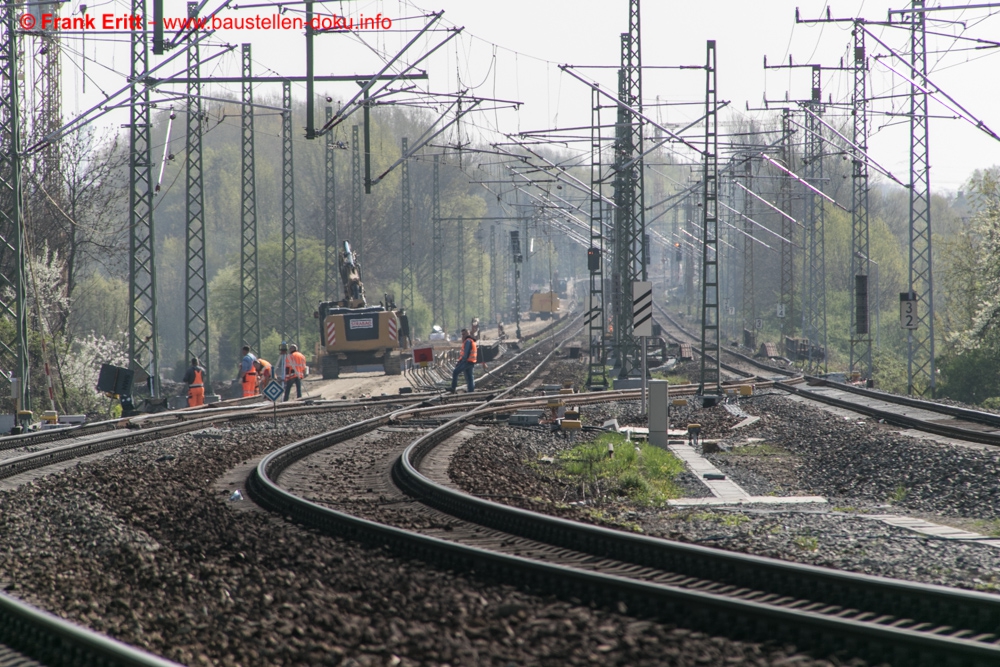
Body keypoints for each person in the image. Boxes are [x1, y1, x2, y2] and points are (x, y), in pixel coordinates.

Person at [449, 328, 478, 394]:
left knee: (455, 372)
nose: (463, 336)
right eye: (462, 334)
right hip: (471, 362)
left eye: (464, 334)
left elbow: (466, 354)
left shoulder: (468, 341)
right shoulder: (472, 340)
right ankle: (471, 391)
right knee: (470, 377)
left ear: (468, 333)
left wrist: (461, 362)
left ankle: (453, 388)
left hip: (467, 362)